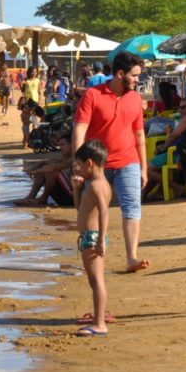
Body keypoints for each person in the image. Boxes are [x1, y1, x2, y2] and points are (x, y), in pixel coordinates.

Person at [73, 50, 149, 273]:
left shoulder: (135, 99)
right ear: (119, 73)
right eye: (134, 76)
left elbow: (139, 136)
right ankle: (94, 255)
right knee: (93, 210)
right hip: (96, 165)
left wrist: (144, 167)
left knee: (132, 207)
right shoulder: (92, 95)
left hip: (128, 161)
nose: (138, 80)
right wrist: (78, 165)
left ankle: (132, 257)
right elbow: (80, 131)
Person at [72, 139, 112, 337]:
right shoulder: (94, 185)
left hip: (93, 237)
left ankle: (100, 323)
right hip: (90, 237)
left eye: (79, 165)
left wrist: (100, 239)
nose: (77, 169)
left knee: (97, 281)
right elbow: (80, 210)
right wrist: (76, 190)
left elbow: (104, 212)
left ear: (89, 163)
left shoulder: (97, 186)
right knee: (94, 281)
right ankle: (99, 316)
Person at [144, 96, 186, 200]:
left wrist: (163, 146)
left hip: (179, 153)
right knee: (157, 167)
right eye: (179, 107)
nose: (180, 110)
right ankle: (151, 193)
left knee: (147, 168)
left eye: (184, 107)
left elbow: (174, 135)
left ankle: (177, 187)